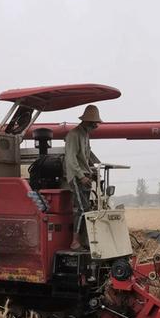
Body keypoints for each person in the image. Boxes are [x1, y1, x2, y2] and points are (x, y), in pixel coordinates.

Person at [64, 104, 102, 250]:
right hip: (76, 176)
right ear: (88, 122)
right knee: (82, 209)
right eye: (94, 123)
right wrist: (81, 176)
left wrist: (92, 171)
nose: (96, 126)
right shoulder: (74, 135)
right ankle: (75, 242)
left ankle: (85, 241)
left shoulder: (85, 135)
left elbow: (85, 158)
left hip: (84, 175)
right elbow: (71, 159)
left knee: (87, 209)